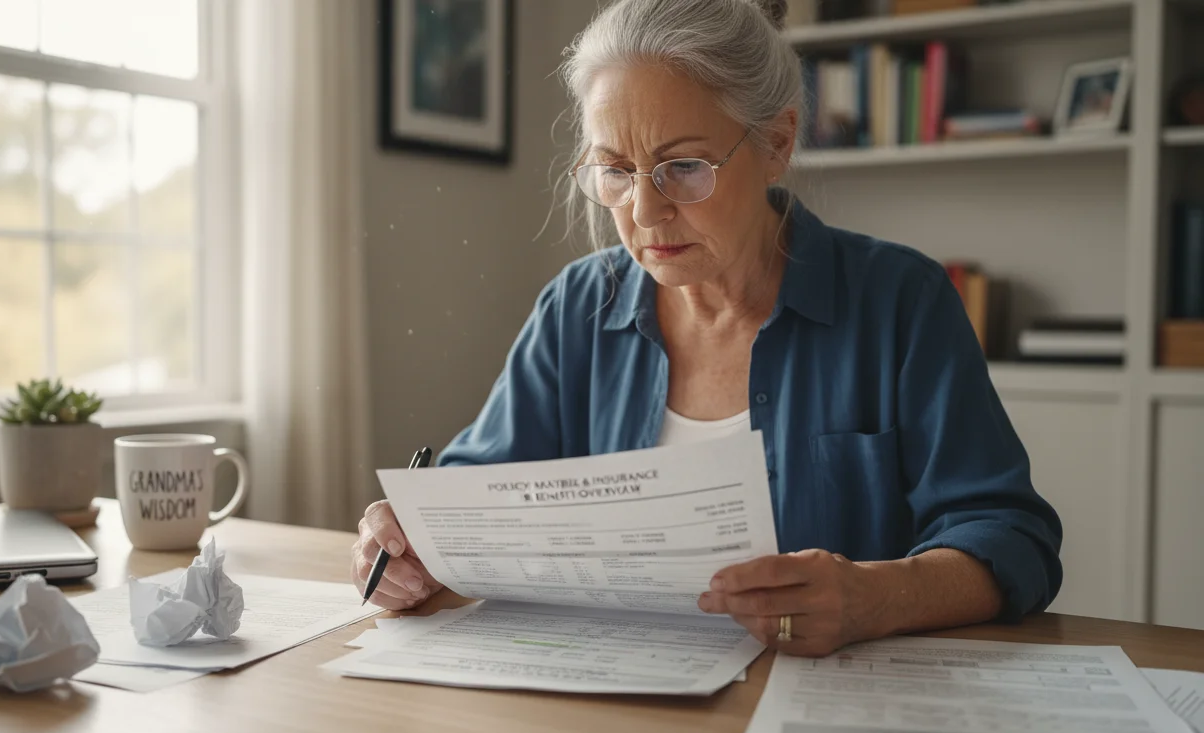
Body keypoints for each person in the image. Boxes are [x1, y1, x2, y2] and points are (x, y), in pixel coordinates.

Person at [350, 0, 1062, 657]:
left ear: (777, 141)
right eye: (615, 171)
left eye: (683, 168)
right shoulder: (576, 308)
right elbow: (475, 500)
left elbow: (1011, 538)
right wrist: (413, 545)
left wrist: (875, 597)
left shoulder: (901, 301)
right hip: (613, 705)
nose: (646, 212)